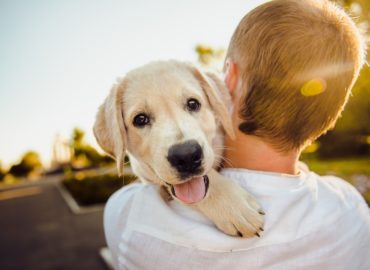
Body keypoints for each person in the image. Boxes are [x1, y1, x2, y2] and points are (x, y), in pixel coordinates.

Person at [104, 0, 370, 269]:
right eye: (141, 119)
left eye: (193, 104)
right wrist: (212, 188)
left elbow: (143, 179)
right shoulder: (351, 210)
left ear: (228, 79)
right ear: (330, 112)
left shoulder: (129, 218)